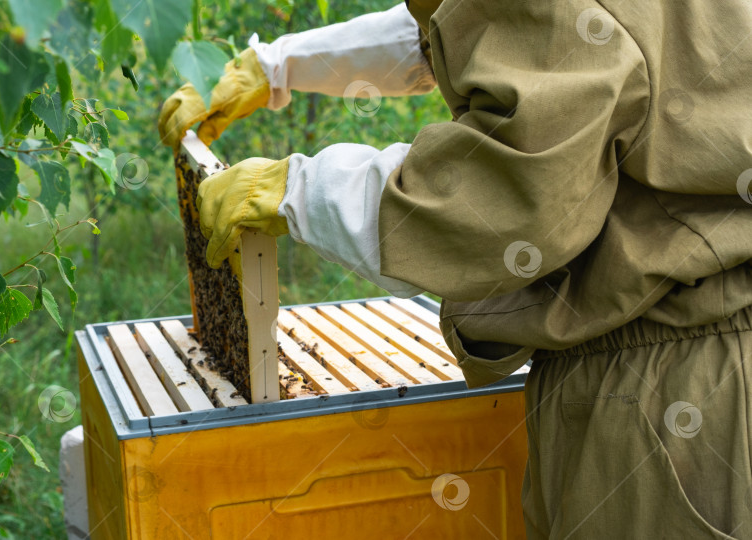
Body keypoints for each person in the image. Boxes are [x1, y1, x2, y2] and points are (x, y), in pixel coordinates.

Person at [159, 1, 752, 537]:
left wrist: (298, 190)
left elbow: (505, 207)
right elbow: (485, 30)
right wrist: (281, 64)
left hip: (672, 384)